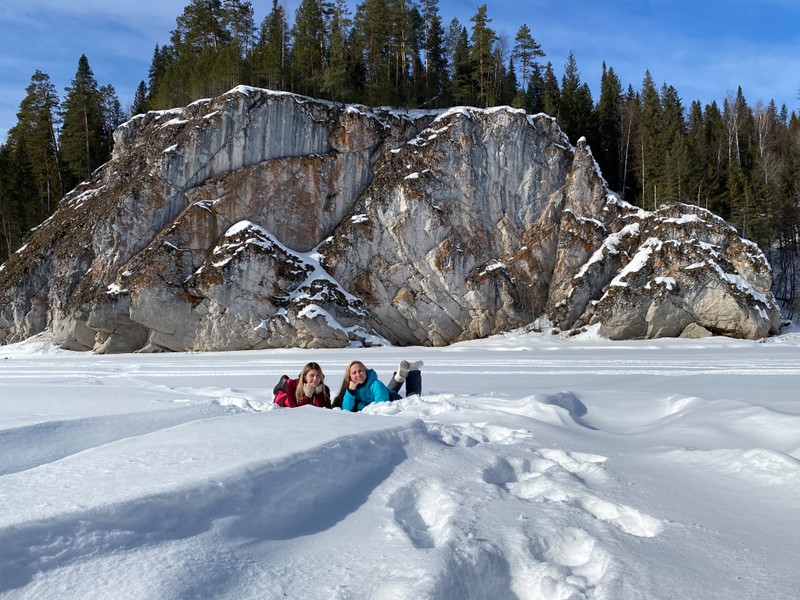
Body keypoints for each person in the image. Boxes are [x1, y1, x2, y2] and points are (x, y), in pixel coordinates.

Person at [332, 360, 423, 412]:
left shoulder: (376, 385)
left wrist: (361, 406)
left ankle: (413, 371)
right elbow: (346, 410)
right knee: (387, 390)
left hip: (393, 400)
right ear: (350, 376)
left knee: (413, 398)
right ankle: (399, 377)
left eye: (360, 371)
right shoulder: (352, 390)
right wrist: (351, 391)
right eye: (354, 373)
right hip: (385, 393)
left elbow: (382, 407)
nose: (358, 374)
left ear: (366, 372)